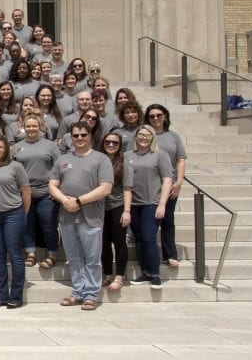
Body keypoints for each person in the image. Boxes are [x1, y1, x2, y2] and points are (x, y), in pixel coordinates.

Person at [49, 121, 114, 311]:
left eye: (83, 135)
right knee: (74, 256)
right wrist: (65, 201)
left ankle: (91, 294)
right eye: (75, 136)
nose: (79, 139)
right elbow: (52, 184)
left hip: (91, 216)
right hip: (67, 216)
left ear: (90, 136)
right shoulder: (62, 160)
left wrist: (78, 201)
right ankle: (78, 291)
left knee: (92, 257)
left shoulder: (101, 159)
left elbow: (105, 188)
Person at [0, 136, 31, 307]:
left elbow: (26, 192)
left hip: (13, 214)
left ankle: (16, 296)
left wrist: (22, 214)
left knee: (16, 255)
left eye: (0, 147)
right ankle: (0, 295)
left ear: (6, 149)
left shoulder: (16, 167)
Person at [12, 114, 62, 270]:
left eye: (34, 126)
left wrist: (57, 189)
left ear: (40, 127)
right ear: (23, 128)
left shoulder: (50, 146)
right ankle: (31, 253)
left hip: (46, 192)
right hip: (25, 193)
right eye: (28, 126)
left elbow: (59, 167)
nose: (31, 129)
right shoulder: (16, 147)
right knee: (27, 224)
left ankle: (52, 254)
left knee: (48, 224)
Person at [126, 125, 173, 290]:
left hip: (151, 203)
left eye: (148, 135)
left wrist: (162, 204)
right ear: (135, 136)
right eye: (141, 135)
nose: (144, 138)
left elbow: (167, 179)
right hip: (133, 203)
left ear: (153, 138)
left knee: (149, 238)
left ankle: (155, 274)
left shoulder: (160, 155)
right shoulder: (127, 156)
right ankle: (144, 271)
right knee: (138, 239)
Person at [145, 104, 187, 268]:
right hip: (149, 184)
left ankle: (170, 254)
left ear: (165, 116)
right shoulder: (144, 136)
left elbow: (181, 159)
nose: (156, 118)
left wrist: (179, 181)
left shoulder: (173, 136)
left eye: (159, 115)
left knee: (168, 219)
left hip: (169, 184)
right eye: (152, 116)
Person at [99, 132, 133, 292]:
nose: (111, 145)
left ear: (120, 145)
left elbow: (127, 188)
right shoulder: (98, 160)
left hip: (117, 205)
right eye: (108, 142)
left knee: (119, 243)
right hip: (99, 207)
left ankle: (119, 276)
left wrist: (126, 211)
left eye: (115, 143)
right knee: (104, 243)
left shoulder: (125, 163)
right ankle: (106, 273)